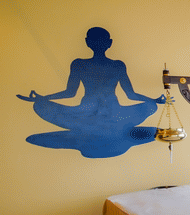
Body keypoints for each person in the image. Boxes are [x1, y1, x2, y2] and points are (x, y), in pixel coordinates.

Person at [17, 27, 164, 157]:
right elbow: (131, 95)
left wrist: (154, 101)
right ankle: (100, 131)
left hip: (103, 114)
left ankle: (91, 132)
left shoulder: (110, 65)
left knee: (151, 106)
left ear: (88, 42)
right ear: (109, 43)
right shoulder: (82, 64)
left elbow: (70, 93)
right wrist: (154, 101)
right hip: (93, 113)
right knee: (151, 107)